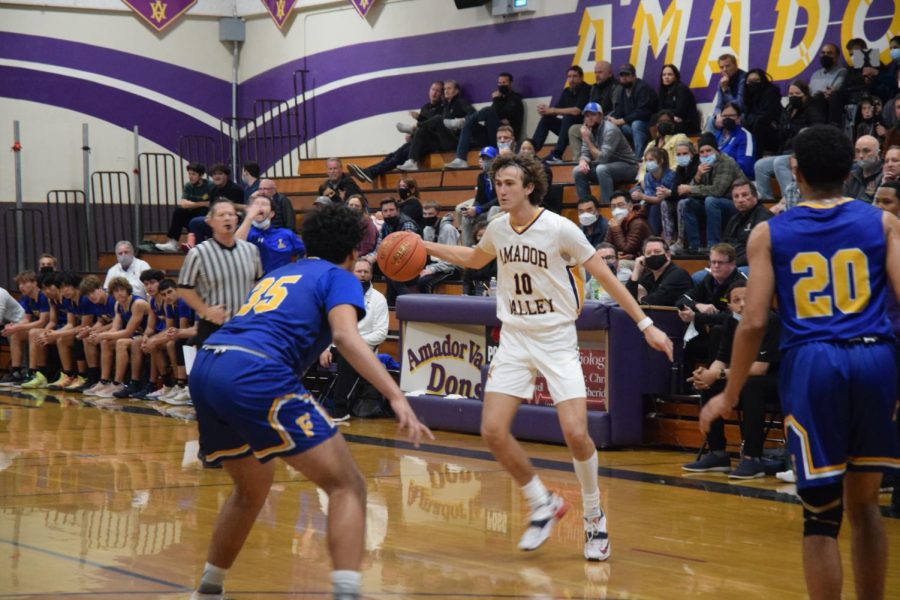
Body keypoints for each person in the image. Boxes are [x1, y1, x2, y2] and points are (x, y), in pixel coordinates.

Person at [422, 153, 673, 561]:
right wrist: (421, 244)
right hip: (516, 337)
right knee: (493, 431)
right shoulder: (499, 228)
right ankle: (542, 501)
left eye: (508, 183)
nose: (501, 190)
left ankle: (594, 517)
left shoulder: (561, 229)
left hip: (556, 338)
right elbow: (473, 258)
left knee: (576, 432)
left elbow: (607, 279)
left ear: (529, 187)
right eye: (497, 183)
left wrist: (647, 325)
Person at [186, 204, 432, 600]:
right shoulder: (340, 276)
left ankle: (208, 590)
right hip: (256, 370)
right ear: (354, 251)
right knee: (347, 484)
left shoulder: (279, 272)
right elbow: (347, 337)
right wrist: (396, 395)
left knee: (251, 489)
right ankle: (347, 594)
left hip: (209, 364)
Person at [700, 124, 900, 600]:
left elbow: (750, 324)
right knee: (866, 505)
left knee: (821, 515)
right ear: (850, 169)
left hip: (814, 362)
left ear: (796, 172)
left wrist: (729, 394)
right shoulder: (884, 221)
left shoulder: (770, 231)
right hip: (876, 357)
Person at [684, 280, 782, 479]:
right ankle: (717, 453)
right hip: (746, 377)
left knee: (751, 385)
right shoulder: (731, 322)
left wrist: (718, 374)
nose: (743, 304)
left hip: (779, 380)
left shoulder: (770, 320)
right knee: (709, 386)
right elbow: (721, 359)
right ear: (729, 306)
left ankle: (752, 458)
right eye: (736, 300)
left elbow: (759, 368)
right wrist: (706, 376)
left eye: (748, 298)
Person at [178, 201, 262, 346]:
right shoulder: (198, 253)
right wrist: (205, 310)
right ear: (210, 221)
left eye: (231, 214)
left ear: (237, 219)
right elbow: (184, 288)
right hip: (213, 327)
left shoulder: (251, 250)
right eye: (221, 215)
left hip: (246, 324)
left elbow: (259, 284)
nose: (227, 218)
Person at [318, 257, 389, 421]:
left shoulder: (379, 299)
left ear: (371, 275)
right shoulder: (339, 294)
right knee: (304, 349)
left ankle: (340, 409)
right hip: (336, 344)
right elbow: (329, 326)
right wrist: (325, 348)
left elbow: (381, 333)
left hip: (362, 349)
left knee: (347, 353)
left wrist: (353, 342)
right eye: (359, 271)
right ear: (351, 273)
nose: (362, 275)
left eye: (366, 272)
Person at [678, 133, 744, 252]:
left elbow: (717, 191)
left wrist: (690, 188)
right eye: (702, 152)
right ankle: (694, 247)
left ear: (716, 150)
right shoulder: (703, 165)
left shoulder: (726, 162)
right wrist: (697, 176)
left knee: (711, 201)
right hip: (715, 205)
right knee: (687, 203)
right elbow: (691, 193)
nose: (705, 154)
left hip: (735, 204)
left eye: (708, 150)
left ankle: (713, 245)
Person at [446, 72, 525, 169]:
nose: (501, 85)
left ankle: (462, 120)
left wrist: (496, 100)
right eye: (499, 83)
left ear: (510, 84)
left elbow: (501, 114)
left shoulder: (515, 99)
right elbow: (498, 116)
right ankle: (461, 159)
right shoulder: (500, 99)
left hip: (506, 137)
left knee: (488, 110)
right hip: (492, 136)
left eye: (504, 83)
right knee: (469, 124)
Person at [397, 79, 474, 171]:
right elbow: (432, 124)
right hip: (442, 141)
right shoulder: (445, 106)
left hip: (455, 141)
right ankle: (412, 161)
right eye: (445, 89)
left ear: (456, 91)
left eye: (449, 88)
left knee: (437, 119)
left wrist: (460, 121)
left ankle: (414, 127)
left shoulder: (460, 102)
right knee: (422, 130)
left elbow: (473, 114)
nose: (446, 91)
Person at [572, 102, 639, 203]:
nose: (589, 118)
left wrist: (586, 138)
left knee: (602, 169)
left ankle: (606, 206)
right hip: (607, 167)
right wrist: (583, 161)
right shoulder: (588, 129)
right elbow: (585, 151)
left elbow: (603, 158)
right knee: (578, 171)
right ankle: (586, 205)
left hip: (628, 167)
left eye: (593, 115)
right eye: (587, 115)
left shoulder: (610, 130)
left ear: (601, 116)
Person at [531, 65, 591, 163]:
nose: (571, 79)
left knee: (568, 117)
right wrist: (545, 112)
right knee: (547, 120)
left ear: (581, 77)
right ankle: (531, 151)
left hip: (582, 128)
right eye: (569, 76)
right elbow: (555, 111)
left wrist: (552, 110)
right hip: (566, 129)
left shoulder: (587, 89)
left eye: (575, 76)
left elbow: (576, 111)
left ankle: (557, 155)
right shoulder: (567, 91)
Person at [236, 193, 306, 274]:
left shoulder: (286, 234)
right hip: (258, 283)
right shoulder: (247, 232)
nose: (259, 207)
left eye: (264, 204)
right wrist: (249, 217)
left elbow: (305, 252)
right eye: (256, 204)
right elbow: (235, 247)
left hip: (283, 281)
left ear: (272, 213)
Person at [156, 163, 216, 252]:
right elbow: (183, 204)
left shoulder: (210, 186)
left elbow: (212, 204)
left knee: (203, 210)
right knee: (179, 211)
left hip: (206, 217)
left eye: (194, 174)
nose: (191, 177)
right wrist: (202, 203)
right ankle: (173, 243)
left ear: (201, 175)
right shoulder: (188, 185)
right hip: (192, 215)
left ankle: (195, 243)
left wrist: (195, 204)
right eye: (189, 174)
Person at [607, 63, 659, 155]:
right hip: (630, 125)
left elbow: (642, 112)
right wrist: (613, 119)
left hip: (648, 125)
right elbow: (619, 109)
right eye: (621, 75)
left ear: (634, 76)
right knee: (612, 125)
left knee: (636, 124)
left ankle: (638, 158)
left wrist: (622, 120)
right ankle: (621, 156)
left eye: (627, 75)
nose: (624, 77)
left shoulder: (642, 88)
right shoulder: (622, 89)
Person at [625, 237, 692, 305]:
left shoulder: (678, 274)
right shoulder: (648, 276)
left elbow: (655, 301)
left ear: (668, 255)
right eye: (648, 253)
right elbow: (626, 299)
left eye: (657, 252)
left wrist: (640, 298)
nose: (652, 255)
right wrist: (636, 271)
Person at [722, 181, 773, 267]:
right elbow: (723, 245)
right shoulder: (734, 219)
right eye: (736, 196)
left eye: (745, 195)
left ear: (755, 196)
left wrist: (731, 265)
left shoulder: (764, 218)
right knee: (699, 276)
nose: (740, 200)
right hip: (731, 265)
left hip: (754, 265)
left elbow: (760, 251)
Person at [632, 146, 677, 241]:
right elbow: (651, 197)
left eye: (651, 160)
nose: (648, 163)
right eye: (646, 160)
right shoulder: (648, 176)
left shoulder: (670, 175)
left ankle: (653, 236)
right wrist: (643, 197)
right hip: (653, 203)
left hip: (670, 204)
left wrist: (642, 196)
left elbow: (659, 199)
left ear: (661, 161)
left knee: (655, 207)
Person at [418, 201, 460, 294]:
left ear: (437, 213)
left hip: (451, 268)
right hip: (435, 265)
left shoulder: (448, 229)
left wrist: (432, 269)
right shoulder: (427, 229)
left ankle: (429, 307)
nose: (427, 217)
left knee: (424, 282)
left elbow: (451, 260)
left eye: (430, 214)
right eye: (425, 214)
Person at [742, 69, 784, 156]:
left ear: (763, 81)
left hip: (772, 132)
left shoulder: (771, 93)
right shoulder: (747, 97)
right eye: (749, 81)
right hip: (755, 130)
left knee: (759, 123)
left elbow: (767, 116)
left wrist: (752, 119)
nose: (752, 84)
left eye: (756, 80)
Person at [603, 191, 652, 260]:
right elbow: (606, 245)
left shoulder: (638, 223)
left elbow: (627, 250)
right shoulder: (617, 221)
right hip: (625, 259)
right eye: (613, 206)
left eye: (620, 205)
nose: (616, 209)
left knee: (620, 264)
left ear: (630, 207)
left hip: (644, 261)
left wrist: (616, 229)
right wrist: (614, 254)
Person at [713, 102, 755, 179]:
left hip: (738, 180)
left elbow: (746, 165)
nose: (727, 118)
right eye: (725, 116)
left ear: (739, 118)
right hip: (717, 177)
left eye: (731, 115)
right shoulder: (717, 135)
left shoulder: (744, 136)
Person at [706, 54, 747, 131]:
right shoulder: (722, 81)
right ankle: (710, 143)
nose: (724, 69)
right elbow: (718, 105)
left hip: (742, 114)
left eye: (727, 66)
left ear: (735, 65)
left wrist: (726, 90)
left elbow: (739, 106)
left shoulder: (743, 79)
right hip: (728, 114)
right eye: (721, 67)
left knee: (730, 120)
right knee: (712, 119)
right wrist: (718, 115)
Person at [657, 64, 699, 134]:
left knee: (664, 127)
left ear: (676, 77)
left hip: (686, 124)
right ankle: (657, 144)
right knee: (653, 121)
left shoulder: (681, 89)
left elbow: (680, 111)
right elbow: (659, 110)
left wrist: (668, 114)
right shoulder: (663, 91)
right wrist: (669, 115)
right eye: (664, 75)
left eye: (670, 74)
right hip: (671, 121)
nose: (666, 77)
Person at [843, 135, 883, 203]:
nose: (861, 156)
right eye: (857, 151)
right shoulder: (851, 174)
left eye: (866, 151)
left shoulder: (884, 175)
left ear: (878, 153)